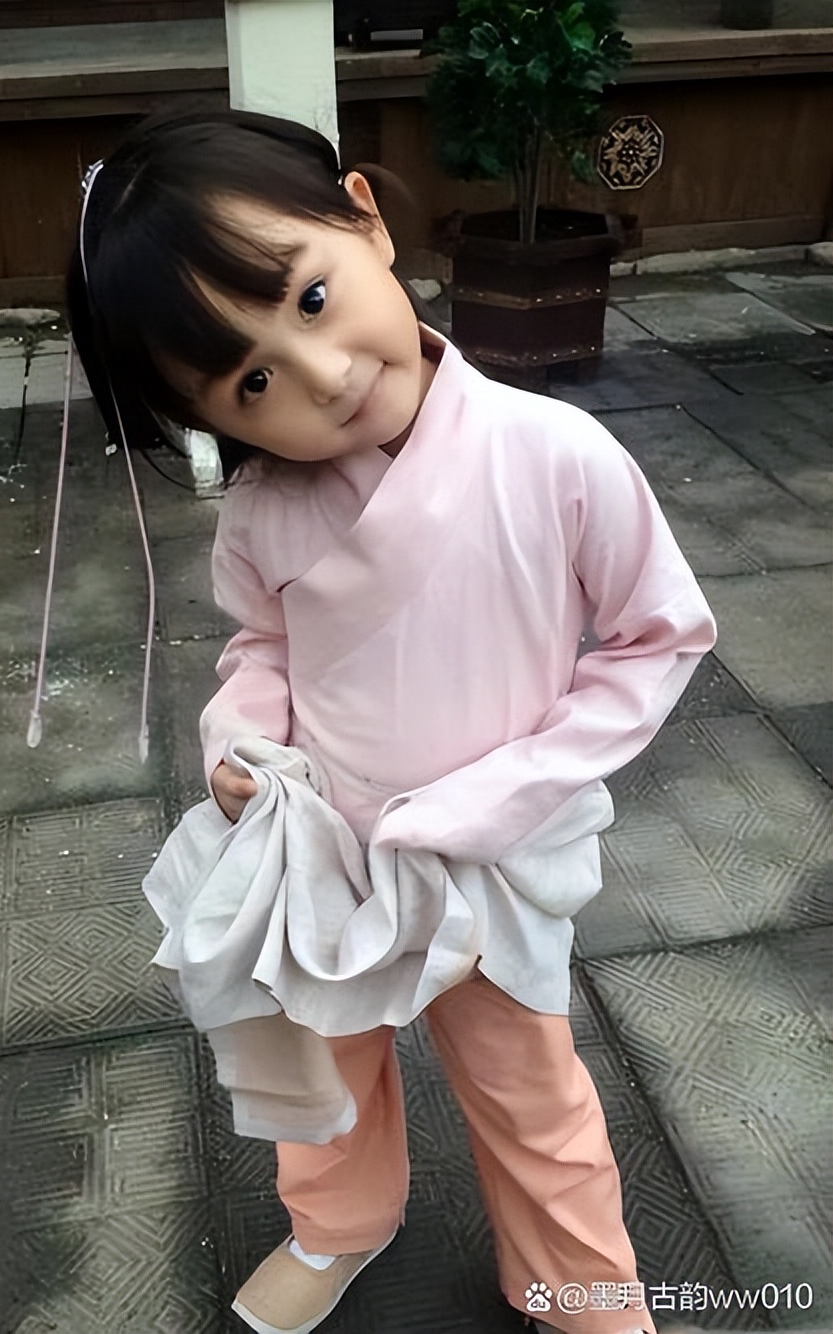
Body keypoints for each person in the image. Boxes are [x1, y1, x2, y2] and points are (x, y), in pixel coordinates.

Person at [67, 108, 716, 1334]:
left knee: (529, 1093)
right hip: (323, 849)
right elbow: (262, 647)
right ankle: (339, 1220)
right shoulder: (266, 512)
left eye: (310, 299)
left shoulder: (553, 453)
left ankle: (579, 1286)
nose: (320, 375)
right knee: (322, 1063)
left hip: (484, 857)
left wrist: (511, 786)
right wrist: (240, 741)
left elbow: (656, 636)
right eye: (252, 381)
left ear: (363, 217)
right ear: (213, 420)